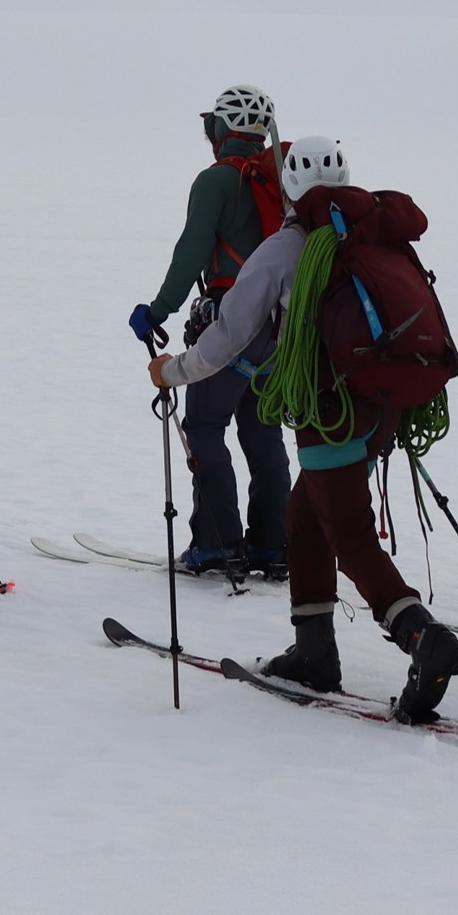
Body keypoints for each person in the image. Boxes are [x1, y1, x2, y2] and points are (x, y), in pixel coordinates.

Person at [146, 136, 458, 723]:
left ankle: (421, 636)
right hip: (381, 405)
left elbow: (229, 332)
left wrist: (173, 371)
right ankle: (315, 651)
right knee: (306, 518)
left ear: (290, 189)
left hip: (330, 409)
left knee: (347, 530)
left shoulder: (288, 247)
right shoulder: (371, 234)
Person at [126, 84, 292, 577]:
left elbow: (191, 253)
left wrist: (157, 310)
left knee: (203, 427)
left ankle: (218, 545)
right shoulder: (280, 181)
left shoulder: (216, 181)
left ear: (221, 127)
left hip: (229, 320)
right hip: (278, 328)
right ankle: (274, 546)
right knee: (262, 434)